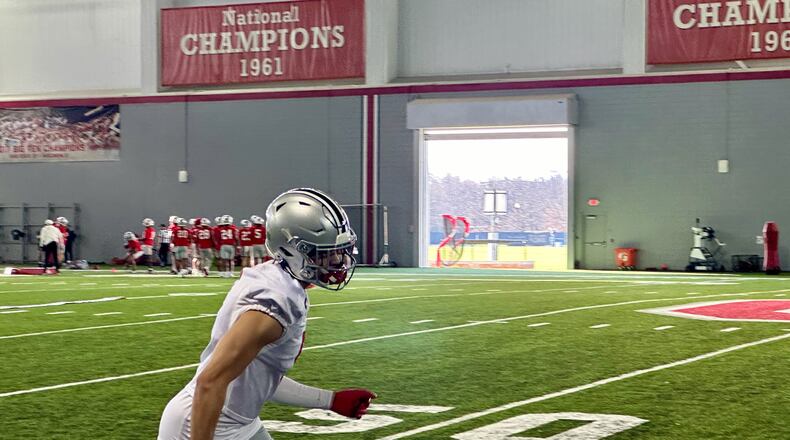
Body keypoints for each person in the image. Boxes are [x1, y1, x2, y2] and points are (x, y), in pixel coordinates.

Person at [158, 188, 375, 440]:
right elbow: (211, 382)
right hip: (204, 424)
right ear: (293, 251)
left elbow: (257, 379)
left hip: (237, 421)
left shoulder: (284, 283)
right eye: (325, 253)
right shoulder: (272, 305)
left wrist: (330, 400)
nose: (339, 261)